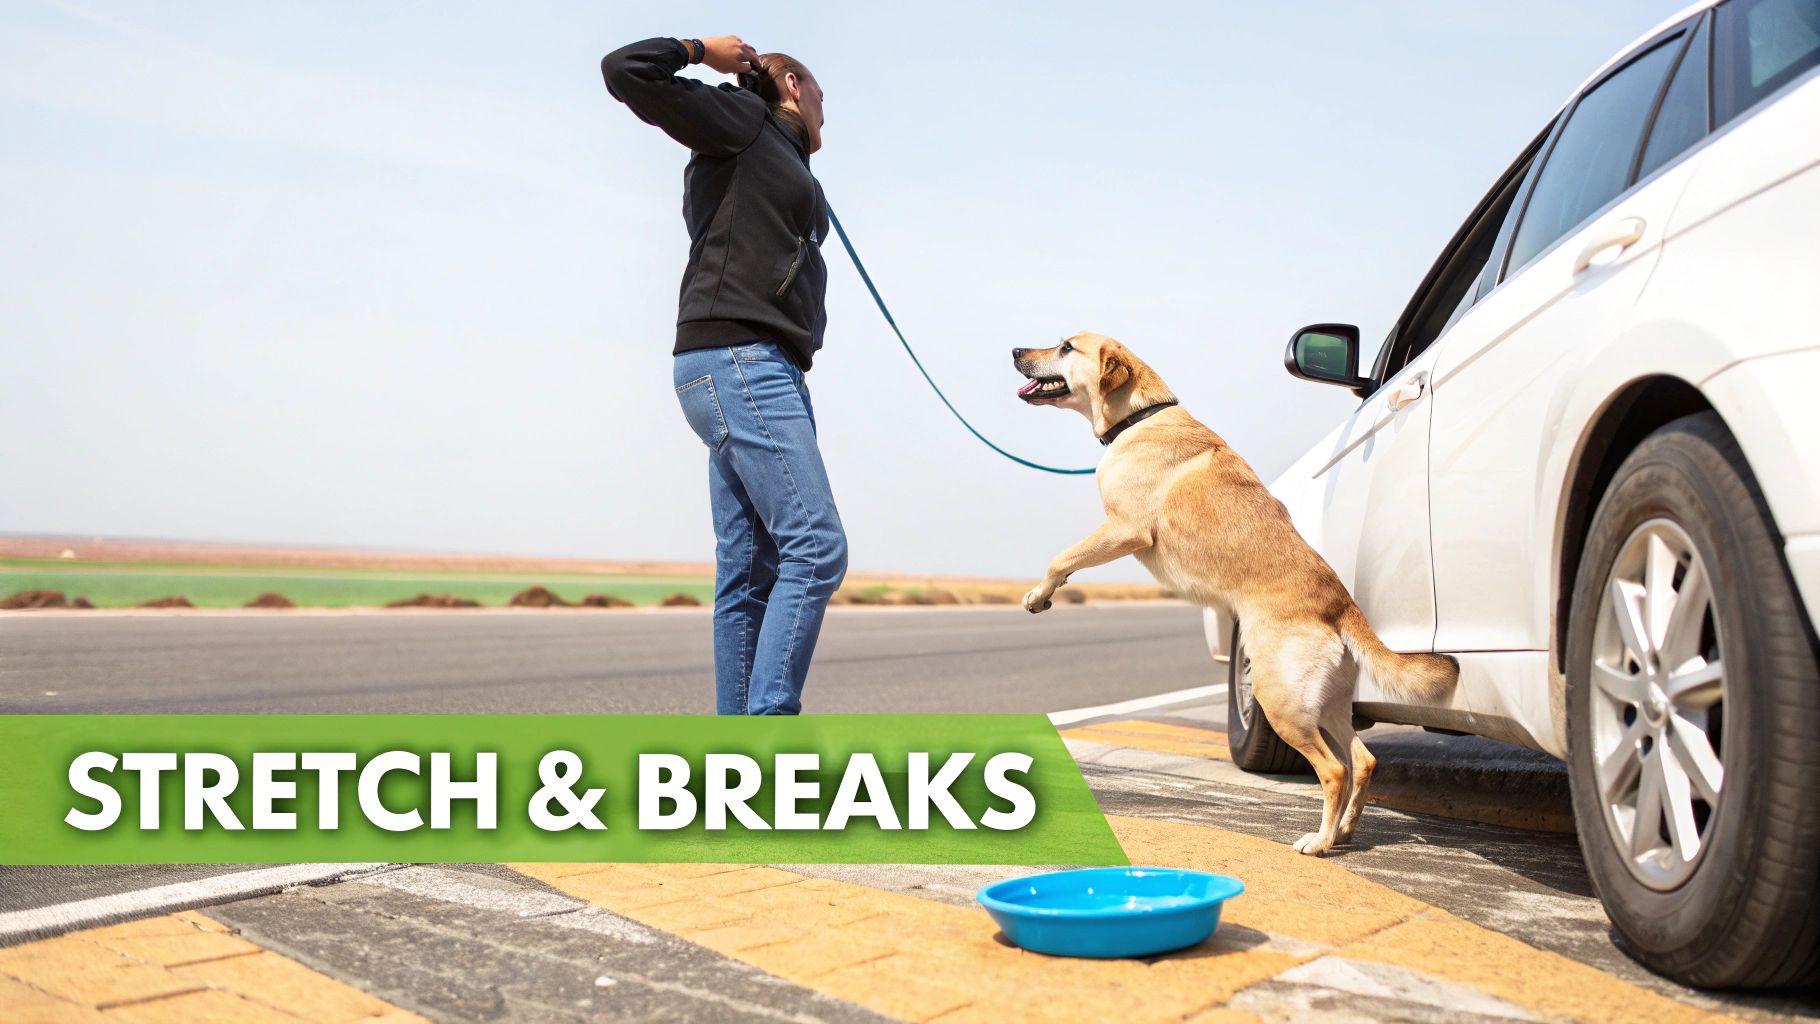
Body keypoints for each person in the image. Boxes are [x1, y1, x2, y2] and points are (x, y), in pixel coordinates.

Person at [601, 35, 846, 716]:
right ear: (793, 84)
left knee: (750, 570)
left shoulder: (772, 150)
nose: (829, 110)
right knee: (818, 549)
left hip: (743, 367)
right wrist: (700, 50)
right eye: (823, 95)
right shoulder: (743, 123)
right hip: (744, 362)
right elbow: (624, 70)